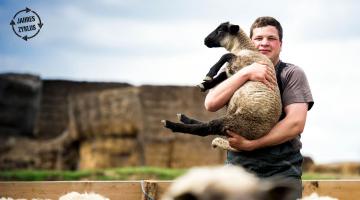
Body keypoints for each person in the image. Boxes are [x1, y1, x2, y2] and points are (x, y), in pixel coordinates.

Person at [204, 16, 314, 199]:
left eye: (271, 38)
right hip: (238, 173)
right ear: (249, 41)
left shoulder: (291, 73)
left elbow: (295, 123)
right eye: (259, 38)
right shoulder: (234, 69)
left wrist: (252, 145)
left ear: (280, 44)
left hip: (282, 172)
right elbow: (211, 103)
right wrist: (246, 72)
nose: (264, 43)